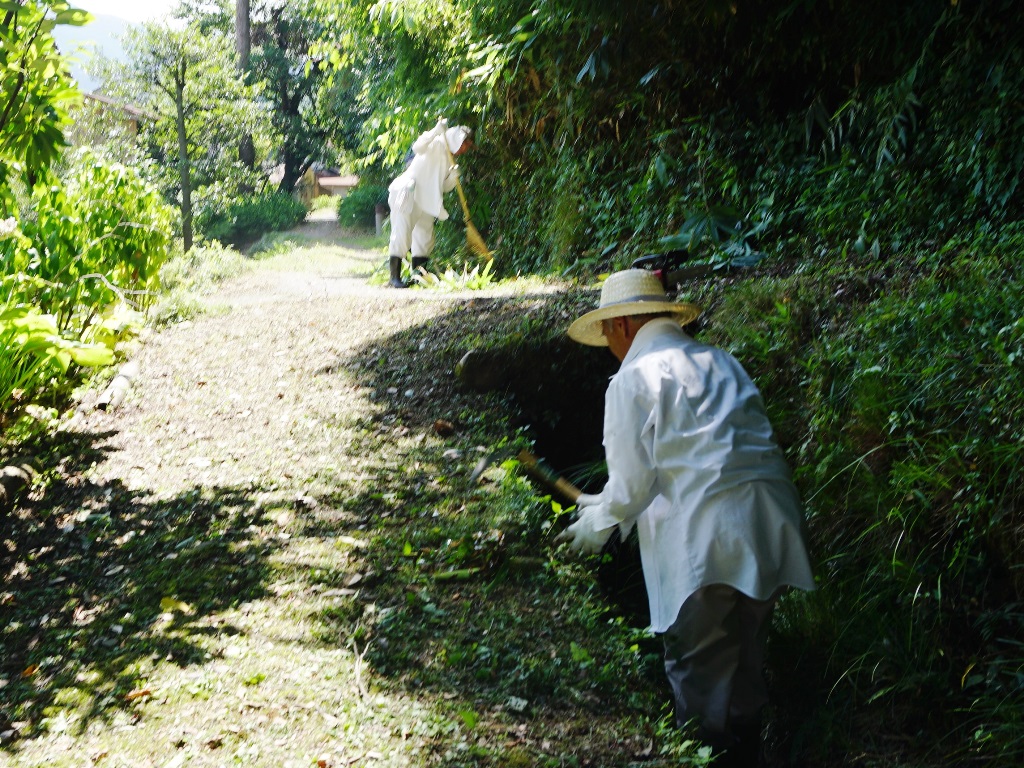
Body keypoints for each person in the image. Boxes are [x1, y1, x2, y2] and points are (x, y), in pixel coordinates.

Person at [556, 268, 816, 765]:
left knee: (698, 686)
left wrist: (597, 523)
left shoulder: (633, 377)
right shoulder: (721, 361)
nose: (610, 345)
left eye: (609, 333)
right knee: (744, 672)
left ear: (624, 325)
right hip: (768, 530)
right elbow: (691, 457)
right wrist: (606, 504)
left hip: (705, 542)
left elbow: (633, 486)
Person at [386, 118, 473, 288]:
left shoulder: (451, 159)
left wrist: (454, 178)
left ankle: (418, 277)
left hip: (428, 199)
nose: (465, 149)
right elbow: (417, 147)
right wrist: (435, 131)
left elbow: (444, 187)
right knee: (402, 232)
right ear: (459, 139)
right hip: (409, 192)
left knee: (424, 237)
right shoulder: (436, 143)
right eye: (466, 145)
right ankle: (394, 278)